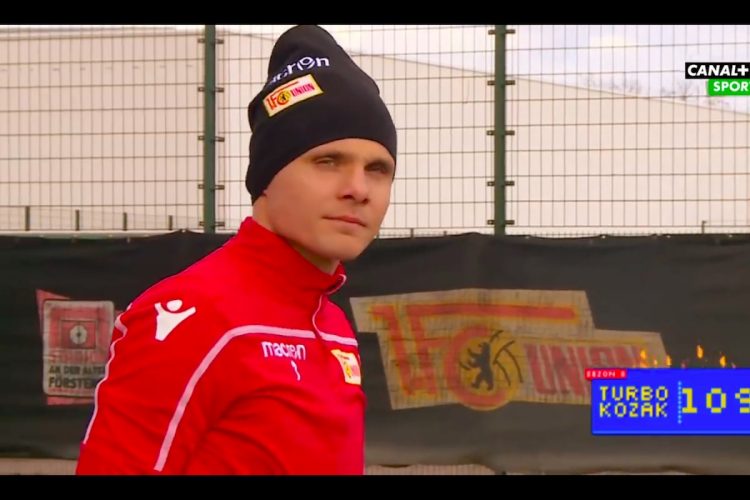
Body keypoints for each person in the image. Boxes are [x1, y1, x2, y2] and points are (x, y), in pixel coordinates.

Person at [75, 24, 397, 475]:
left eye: (378, 169)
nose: (358, 189)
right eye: (327, 161)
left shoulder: (332, 323)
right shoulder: (194, 317)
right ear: (267, 176)